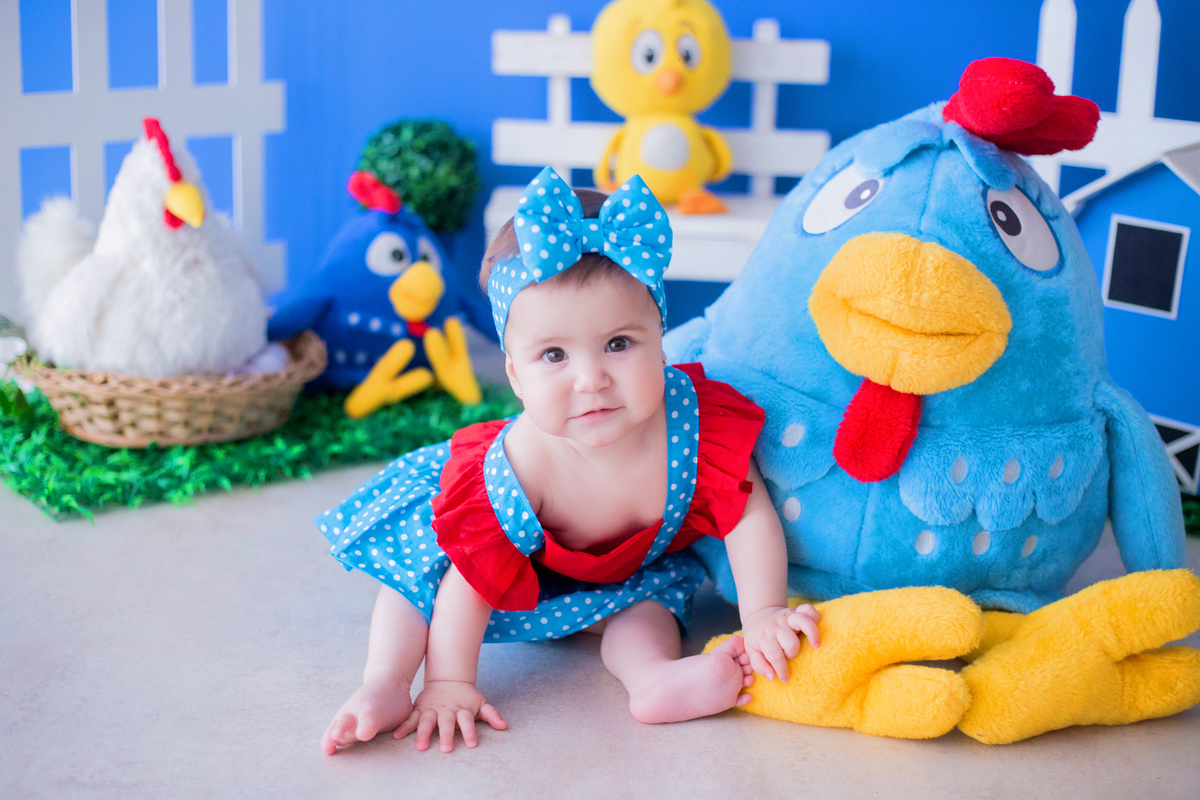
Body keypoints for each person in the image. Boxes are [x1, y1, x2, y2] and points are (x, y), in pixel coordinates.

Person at [319, 167, 820, 755]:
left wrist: (763, 612)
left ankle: (652, 679)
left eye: (619, 344)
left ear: (662, 338)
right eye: (553, 354)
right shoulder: (523, 462)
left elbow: (747, 515)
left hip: (618, 576)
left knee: (649, 610)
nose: (591, 379)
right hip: (478, 569)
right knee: (412, 590)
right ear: (514, 375)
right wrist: (450, 683)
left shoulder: (696, 425)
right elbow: (469, 580)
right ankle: (384, 683)